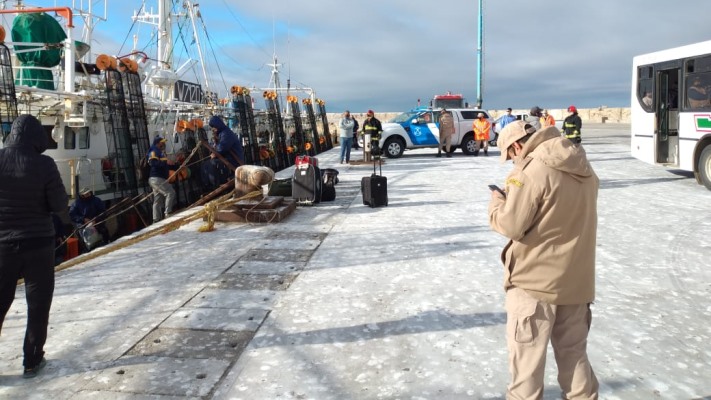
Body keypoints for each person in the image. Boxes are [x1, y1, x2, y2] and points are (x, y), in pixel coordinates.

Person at [488, 120, 599, 399]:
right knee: (575, 360)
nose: (512, 160)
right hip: (575, 281)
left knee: (526, 371)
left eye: (510, 155)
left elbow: (512, 225)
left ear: (516, 146)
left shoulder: (531, 171)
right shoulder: (583, 167)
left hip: (534, 283)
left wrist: (497, 203)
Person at [0, 114, 68, 378]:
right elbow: (59, 205)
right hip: (38, 244)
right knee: (38, 305)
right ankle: (32, 359)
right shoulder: (45, 164)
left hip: (2, 245)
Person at [147, 135, 177, 223]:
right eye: (162, 142)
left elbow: (165, 165)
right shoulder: (153, 151)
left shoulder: (160, 152)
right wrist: (164, 162)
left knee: (158, 199)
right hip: (157, 178)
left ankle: (155, 220)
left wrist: (176, 165)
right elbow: (153, 163)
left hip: (156, 179)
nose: (164, 143)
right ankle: (168, 213)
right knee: (170, 192)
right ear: (157, 143)